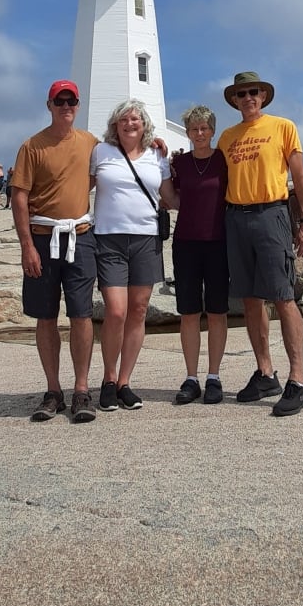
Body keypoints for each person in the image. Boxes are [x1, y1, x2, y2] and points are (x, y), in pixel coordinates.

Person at [217, 71, 303, 418]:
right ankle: (265, 373)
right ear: (234, 100)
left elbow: (299, 175)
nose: (248, 98)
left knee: (283, 296)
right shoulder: (227, 137)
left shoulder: (283, 126)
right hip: (235, 218)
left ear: (263, 96)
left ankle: (298, 381)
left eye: (253, 92)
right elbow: (214, 177)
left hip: (271, 214)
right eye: (241, 94)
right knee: (249, 298)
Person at [10, 80, 99, 424]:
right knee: (45, 317)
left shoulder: (90, 142)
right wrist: (27, 246)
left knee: (81, 315)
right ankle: (53, 392)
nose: (66, 106)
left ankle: (81, 390)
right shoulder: (32, 146)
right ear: (48, 104)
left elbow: (122, 153)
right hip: (43, 239)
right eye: (59, 100)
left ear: (78, 104)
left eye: (71, 100)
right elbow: (19, 197)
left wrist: (158, 145)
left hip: (80, 236)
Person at [91, 99, 172, 411]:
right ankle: (108, 379)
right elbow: (79, 185)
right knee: (115, 311)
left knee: (138, 310)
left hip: (146, 239)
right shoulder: (101, 152)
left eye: (135, 119)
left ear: (144, 124)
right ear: (115, 125)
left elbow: (170, 195)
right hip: (109, 239)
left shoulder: (157, 154)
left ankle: (124, 382)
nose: (129, 124)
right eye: (123, 119)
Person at [168, 105, 229, 406]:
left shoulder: (223, 159)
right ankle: (191, 378)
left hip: (219, 242)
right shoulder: (179, 162)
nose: (200, 133)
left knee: (217, 312)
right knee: (189, 312)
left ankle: (214, 377)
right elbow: (171, 196)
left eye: (204, 128)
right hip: (186, 243)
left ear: (212, 130)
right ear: (188, 132)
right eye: (194, 129)